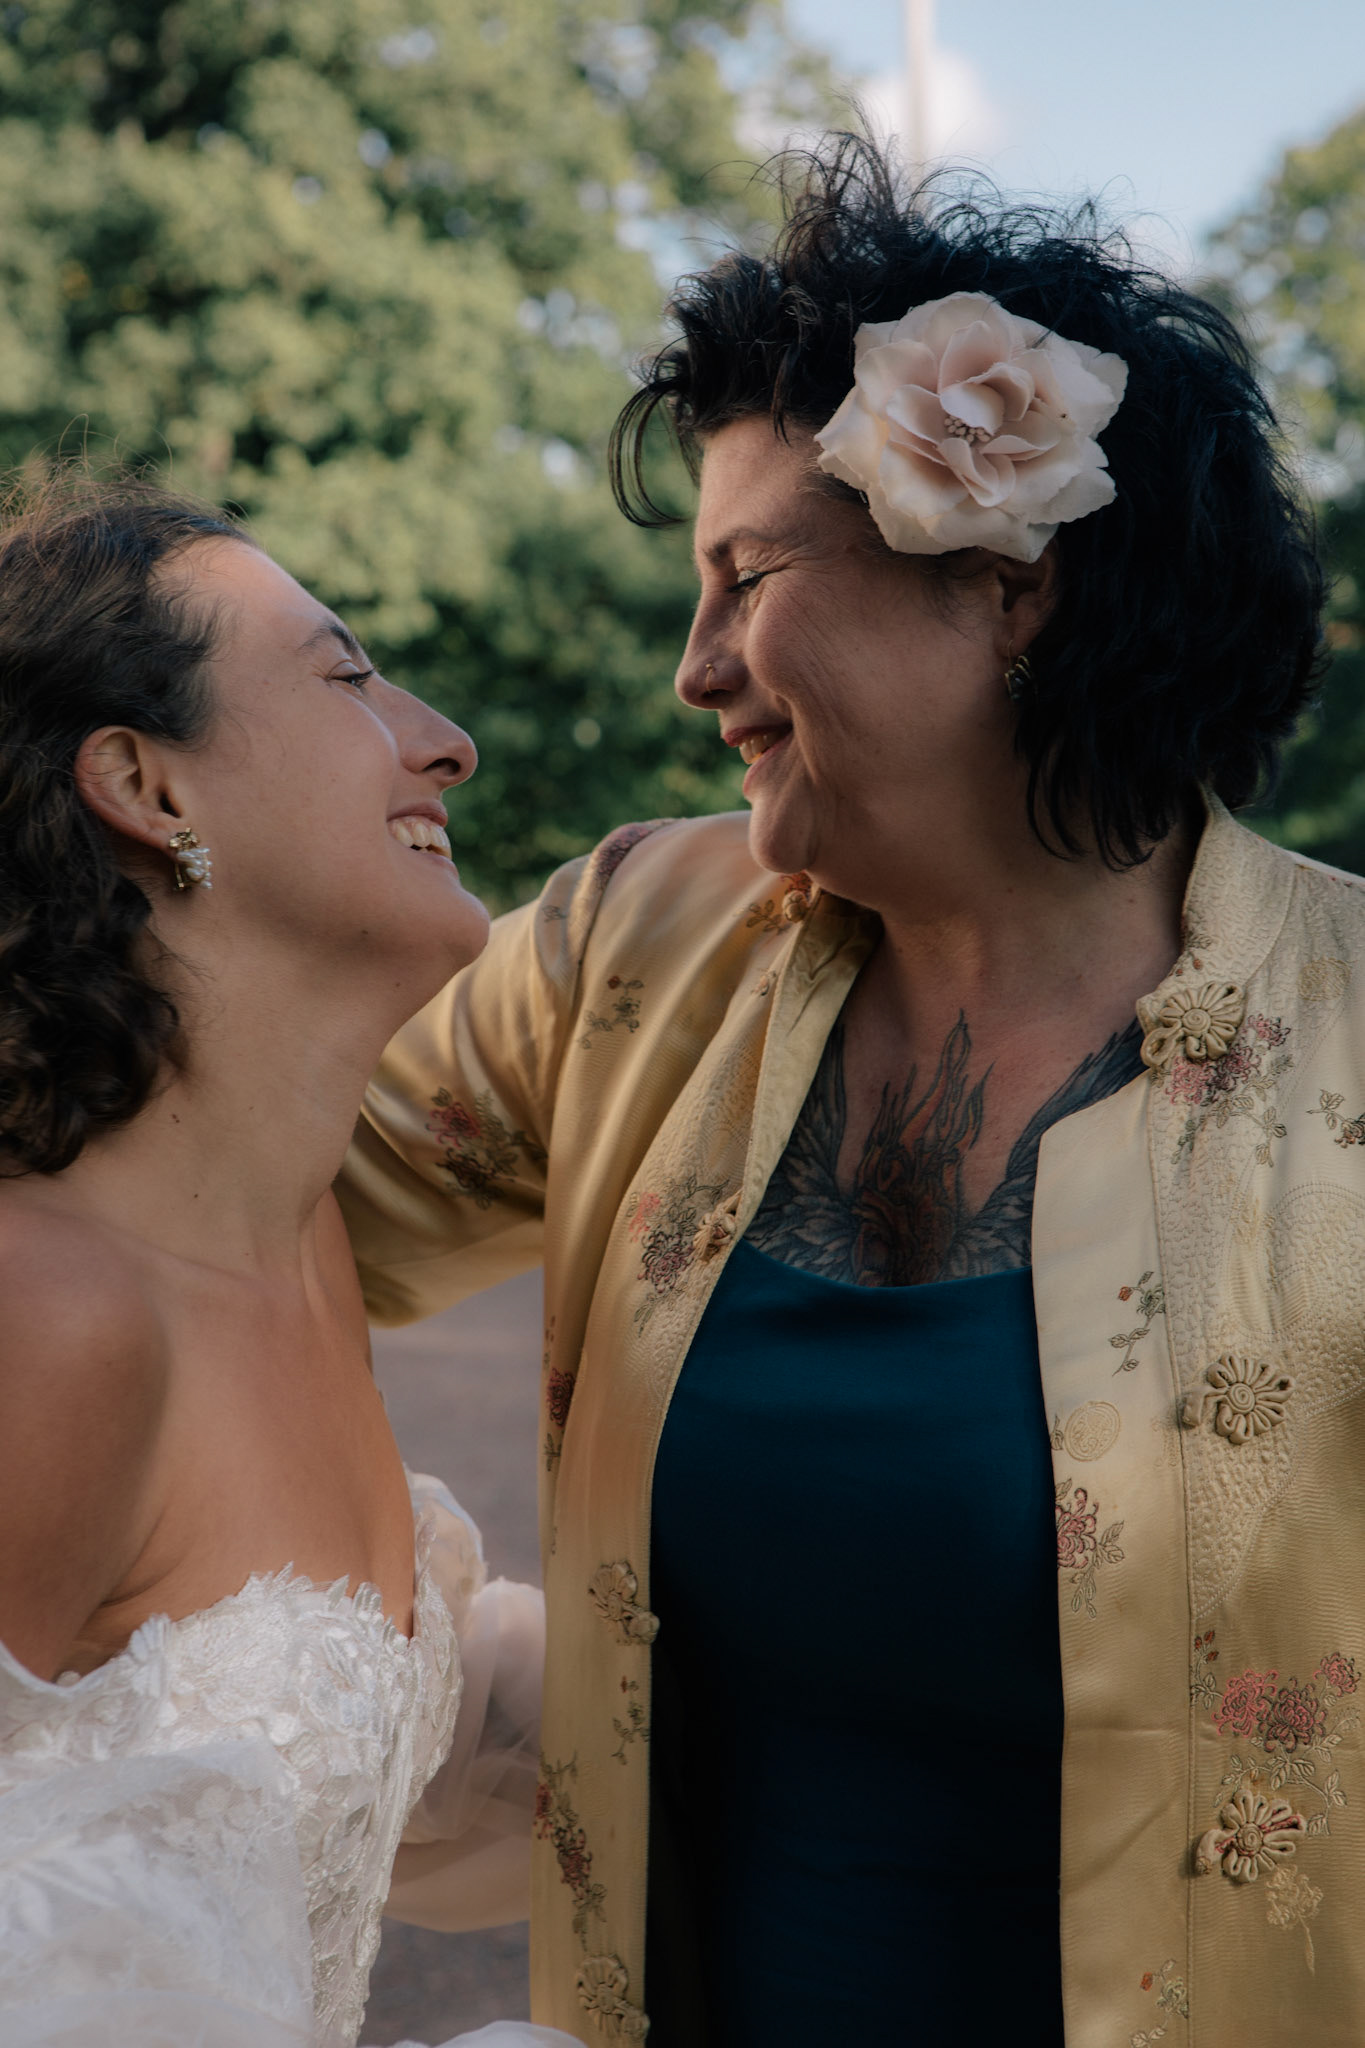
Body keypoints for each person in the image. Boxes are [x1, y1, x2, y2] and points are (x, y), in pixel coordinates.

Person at [338, 137, 1359, 2047]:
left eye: (745, 577)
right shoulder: (625, 947)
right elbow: (233, 1204)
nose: (694, 669)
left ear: (1010, 582)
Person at [0, 479, 577, 2048]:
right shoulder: (49, 1315)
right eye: (349, 678)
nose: (445, 741)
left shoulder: (303, 1246)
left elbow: (311, 1733)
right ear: (144, 785)